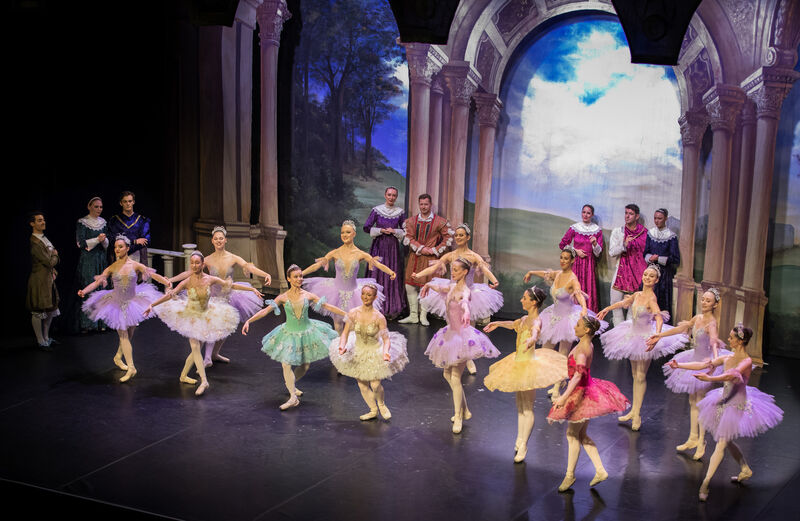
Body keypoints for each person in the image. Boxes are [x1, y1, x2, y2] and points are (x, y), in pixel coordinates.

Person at [667, 325, 783, 501]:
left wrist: (710, 378)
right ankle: (745, 469)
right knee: (727, 441)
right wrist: (679, 365)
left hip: (737, 405)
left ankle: (705, 483)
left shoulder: (747, 361)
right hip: (722, 401)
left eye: (731, 337)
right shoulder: (727, 357)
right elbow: (705, 364)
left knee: (721, 444)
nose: (728, 340)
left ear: (741, 340)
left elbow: (732, 376)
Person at [146, 251, 263, 396]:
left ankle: (183, 375)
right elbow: (170, 294)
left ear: (202, 264)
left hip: (206, 315)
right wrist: (153, 304)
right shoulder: (187, 281)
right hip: (191, 317)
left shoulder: (210, 279)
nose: (194, 266)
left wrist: (251, 289)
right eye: (192, 263)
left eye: (197, 263)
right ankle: (204, 381)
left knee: (196, 349)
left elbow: (230, 286)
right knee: (196, 347)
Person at [597, 264, 687, 431]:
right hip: (632, 334)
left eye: (651, 276)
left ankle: (637, 413)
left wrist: (657, 335)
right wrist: (607, 308)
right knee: (634, 375)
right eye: (645, 274)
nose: (647, 277)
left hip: (644, 337)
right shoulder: (637, 294)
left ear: (656, 280)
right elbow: (624, 302)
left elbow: (659, 318)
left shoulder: (651, 298)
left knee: (640, 376)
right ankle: (633, 411)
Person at [483, 287, 567, 463]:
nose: (521, 300)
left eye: (524, 298)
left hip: (529, 366)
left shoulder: (536, 320)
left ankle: (524, 445)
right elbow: (514, 324)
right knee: (520, 406)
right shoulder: (524, 319)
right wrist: (497, 324)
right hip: (517, 363)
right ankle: (519, 438)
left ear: (533, 302)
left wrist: (532, 339)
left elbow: (536, 330)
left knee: (528, 407)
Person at [243, 264, 345, 410]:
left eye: (301, 276)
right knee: (286, 364)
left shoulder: (308, 295)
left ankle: (291, 384)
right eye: (296, 277)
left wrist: (345, 314)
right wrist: (249, 320)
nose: (299, 279)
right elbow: (265, 311)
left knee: (305, 365)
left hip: (307, 332)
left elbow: (328, 306)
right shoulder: (283, 297)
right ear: (289, 279)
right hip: (289, 334)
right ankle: (292, 397)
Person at [547, 316, 630, 492]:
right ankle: (600, 470)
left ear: (586, 330)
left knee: (572, 435)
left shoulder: (583, 349)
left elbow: (578, 374)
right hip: (587, 389)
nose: (574, 327)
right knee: (582, 435)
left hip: (580, 394)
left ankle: (570, 475)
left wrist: (563, 397)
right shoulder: (586, 344)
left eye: (578, 325)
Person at [169, 226, 271, 367]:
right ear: (212, 241)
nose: (218, 241)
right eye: (216, 239)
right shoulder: (208, 260)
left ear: (225, 240)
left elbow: (249, 267)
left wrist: (265, 274)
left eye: (221, 238)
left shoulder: (233, 257)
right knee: (212, 326)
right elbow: (188, 273)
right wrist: (171, 280)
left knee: (225, 328)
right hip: (213, 298)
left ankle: (215, 354)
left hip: (230, 297)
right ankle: (207, 358)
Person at [648, 288, 730, 460]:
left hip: (704, 364)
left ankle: (702, 442)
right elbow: (681, 329)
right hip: (693, 359)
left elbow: (714, 342)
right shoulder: (697, 318)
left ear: (715, 304)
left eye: (708, 301)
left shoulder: (711, 323)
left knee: (700, 403)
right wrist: (659, 335)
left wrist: (714, 361)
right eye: (703, 299)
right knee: (693, 401)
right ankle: (693, 438)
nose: (704, 302)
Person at [421, 258, 500, 434]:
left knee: (455, 377)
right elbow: (440, 288)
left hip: (462, 338)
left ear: (465, 272)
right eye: (452, 269)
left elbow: (465, 301)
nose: (453, 272)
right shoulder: (451, 287)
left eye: (456, 270)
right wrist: (428, 286)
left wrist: (466, 311)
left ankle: (458, 415)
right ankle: (465, 410)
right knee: (446, 373)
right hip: (449, 334)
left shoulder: (464, 290)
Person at [414, 223, 503, 374]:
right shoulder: (451, 255)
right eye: (456, 235)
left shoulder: (473, 256)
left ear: (468, 237)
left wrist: (494, 280)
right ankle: (455, 356)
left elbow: (484, 269)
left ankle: (468, 358)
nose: (458, 237)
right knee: (453, 326)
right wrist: (419, 275)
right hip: (450, 291)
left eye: (461, 235)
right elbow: (435, 268)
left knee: (468, 327)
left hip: (468, 292)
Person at [78, 235, 169, 382]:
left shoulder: (135, 265)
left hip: (133, 301)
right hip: (117, 304)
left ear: (127, 248)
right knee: (123, 336)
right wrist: (85, 290)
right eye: (115, 247)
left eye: (120, 247)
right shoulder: (112, 267)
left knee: (131, 331)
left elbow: (152, 274)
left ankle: (118, 357)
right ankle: (132, 367)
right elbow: (98, 282)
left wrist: (166, 281)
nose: (117, 249)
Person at [329, 283, 409, 421]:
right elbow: (345, 333)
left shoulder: (379, 317)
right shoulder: (353, 313)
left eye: (369, 295)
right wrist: (343, 345)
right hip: (358, 350)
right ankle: (373, 410)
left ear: (374, 297)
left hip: (373, 351)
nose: (366, 297)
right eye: (364, 294)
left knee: (376, 384)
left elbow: (386, 339)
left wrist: (385, 352)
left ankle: (382, 404)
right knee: (362, 384)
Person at [302, 220, 395, 332]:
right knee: (337, 322)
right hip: (336, 292)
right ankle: (339, 345)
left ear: (354, 234)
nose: (344, 235)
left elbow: (377, 264)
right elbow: (317, 265)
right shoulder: (335, 252)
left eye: (348, 232)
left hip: (353, 292)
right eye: (342, 233)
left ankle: (350, 345)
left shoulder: (360, 254)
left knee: (352, 323)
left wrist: (390, 272)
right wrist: (301, 274)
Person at [399, 193, 453, 325]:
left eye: (426, 204)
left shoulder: (439, 221)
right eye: (421, 204)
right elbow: (409, 237)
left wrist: (434, 249)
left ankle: (423, 315)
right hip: (415, 256)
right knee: (410, 285)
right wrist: (421, 248)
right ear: (419, 204)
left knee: (427, 285)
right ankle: (413, 315)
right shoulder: (411, 221)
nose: (423, 207)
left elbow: (448, 238)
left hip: (431, 259)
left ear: (430, 204)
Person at [363, 186, 407, 318]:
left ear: (396, 197)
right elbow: (366, 227)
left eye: (394, 195)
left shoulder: (400, 212)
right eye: (389, 195)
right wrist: (381, 230)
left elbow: (406, 230)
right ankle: (374, 307)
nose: (391, 197)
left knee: (391, 274)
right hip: (379, 246)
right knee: (377, 273)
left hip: (393, 249)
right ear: (385, 195)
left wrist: (395, 231)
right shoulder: (377, 210)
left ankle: (391, 309)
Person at [607, 204, 647, 326]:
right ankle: (617, 334)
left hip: (637, 273)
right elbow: (612, 252)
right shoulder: (618, 232)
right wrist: (623, 245)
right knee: (615, 303)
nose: (627, 216)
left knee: (633, 306)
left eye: (630, 214)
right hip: (621, 271)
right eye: (626, 213)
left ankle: (628, 337)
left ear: (637, 216)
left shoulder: (644, 233)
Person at [559, 204, 604, 312]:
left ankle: (587, 317)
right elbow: (562, 244)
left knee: (588, 289)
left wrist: (594, 244)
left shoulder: (597, 230)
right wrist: (575, 251)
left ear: (592, 215)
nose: (585, 215)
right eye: (584, 212)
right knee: (574, 288)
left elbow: (598, 253)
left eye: (588, 213)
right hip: (576, 264)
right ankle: (572, 316)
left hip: (589, 265)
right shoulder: (575, 228)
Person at [74, 197, 109, 332]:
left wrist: (104, 241)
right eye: (96, 207)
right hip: (88, 259)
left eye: (100, 207)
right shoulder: (82, 222)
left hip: (101, 258)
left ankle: (101, 324)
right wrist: (97, 239)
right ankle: (88, 324)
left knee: (102, 289)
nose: (99, 209)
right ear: (89, 206)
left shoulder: (103, 222)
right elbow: (80, 243)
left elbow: (106, 245)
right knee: (89, 287)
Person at [27, 212, 60, 349]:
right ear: (32, 224)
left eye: (43, 220)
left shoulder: (43, 239)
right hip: (39, 280)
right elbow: (48, 261)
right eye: (39, 220)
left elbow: (51, 261)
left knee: (50, 309)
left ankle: (46, 337)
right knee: (39, 309)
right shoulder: (34, 242)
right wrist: (56, 256)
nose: (43, 222)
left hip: (48, 279)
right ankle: (40, 340)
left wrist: (54, 268)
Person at [643, 208, 680, 323]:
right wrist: (650, 258)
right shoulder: (651, 233)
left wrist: (659, 258)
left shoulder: (671, 236)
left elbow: (675, 258)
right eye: (655, 218)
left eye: (659, 218)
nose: (657, 221)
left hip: (664, 276)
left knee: (661, 302)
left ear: (665, 219)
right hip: (650, 272)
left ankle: (660, 329)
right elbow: (645, 252)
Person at [108, 191, 150, 264]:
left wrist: (126, 247)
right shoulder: (114, 220)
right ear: (121, 203)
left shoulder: (142, 220)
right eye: (125, 201)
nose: (128, 204)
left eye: (130, 201)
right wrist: (134, 241)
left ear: (133, 202)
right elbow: (112, 239)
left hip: (137, 257)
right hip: (119, 257)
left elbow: (146, 241)